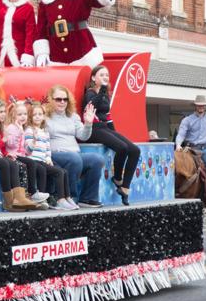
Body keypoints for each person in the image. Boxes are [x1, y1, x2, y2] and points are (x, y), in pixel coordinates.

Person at [34, 0, 115, 68]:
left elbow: (99, 1)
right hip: (56, 53)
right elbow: (41, 28)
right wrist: (42, 52)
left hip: (81, 49)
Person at [82, 65, 141, 205]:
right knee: (122, 148)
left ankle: (125, 187)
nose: (105, 77)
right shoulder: (90, 93)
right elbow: (92, 107)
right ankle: (118, 178)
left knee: (134, 150)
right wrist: (102, 90)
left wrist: (114, 133)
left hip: (104, 128)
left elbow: (108, 116)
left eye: (107, 75)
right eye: (101, 75)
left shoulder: (105, 95)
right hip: (93, 129)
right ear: (93, 78)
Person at [45, 84, 105, 208]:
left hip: (74, 154)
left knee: (96, 159)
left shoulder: (73, 116)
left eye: (65, 99)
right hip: (54, 154)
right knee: (74, 159)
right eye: (58, 99)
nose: (62, 102)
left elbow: (83, 136)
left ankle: (87, 198)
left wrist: (88, 124)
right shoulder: (44, 117)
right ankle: (69, 197)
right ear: (51, 100)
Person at [0, 99, 38, 210]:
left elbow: (4, 149)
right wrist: (3, 141)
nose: (4, 114)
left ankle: (21, 198)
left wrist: (7, 154)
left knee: (20, 164)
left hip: (2, 155)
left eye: (4, 111)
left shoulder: (1, 128)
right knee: (14, 165)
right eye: (0, 112)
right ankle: (10, 201)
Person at [24, 101, 77, 210]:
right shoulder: (29, 130)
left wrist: (48, 158)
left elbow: (47, 149)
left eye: (40, 114)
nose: (37, 117)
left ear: (43, 116)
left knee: (63, 171)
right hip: (34, 160)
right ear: (30, 117)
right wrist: (33, 142)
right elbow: (27, 151)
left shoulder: (45, 132)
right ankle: (60, 200)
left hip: (43, 160)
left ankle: (67, 197)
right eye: (34, 115)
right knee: (58, 172)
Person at [175, 94, 206, 205]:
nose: (201, 107)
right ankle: (177, 192)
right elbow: (181, 134)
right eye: (198, 105)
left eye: (203, 105)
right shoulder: (187, 120)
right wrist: (178, 145)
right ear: (195, 106)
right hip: (191, 149)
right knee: (179, 168)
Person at [4, 100, 51, 207]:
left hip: (22, 155)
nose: (23, 117)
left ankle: (29, 195)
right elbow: (10, 145)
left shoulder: (22, 128)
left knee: (31, 164)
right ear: (13, 115)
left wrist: (33, 142)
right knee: (31, 163)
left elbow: (27, 151)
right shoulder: (12, 127)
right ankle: (32, 192)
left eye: (25, 114)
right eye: (19, 114)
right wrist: (19, 132)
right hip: (13, 154)